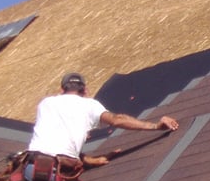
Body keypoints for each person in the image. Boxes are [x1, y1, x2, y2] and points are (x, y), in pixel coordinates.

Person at [28, 72, 179, 168]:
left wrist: (89, 160)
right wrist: (156, 127)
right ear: (85, 91)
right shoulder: (89, 105)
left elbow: (53, 143)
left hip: (31, 162)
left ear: (61, 90)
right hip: (62, 166)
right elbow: (117, 120)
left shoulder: (45, 104)